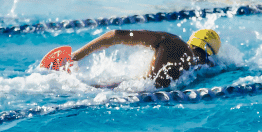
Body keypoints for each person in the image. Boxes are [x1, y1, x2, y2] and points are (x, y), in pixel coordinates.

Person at [69, 27, 220, 88]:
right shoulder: (204, 66)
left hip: (133, 92)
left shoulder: (173, 42)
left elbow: (116, 34)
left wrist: (75, 56)